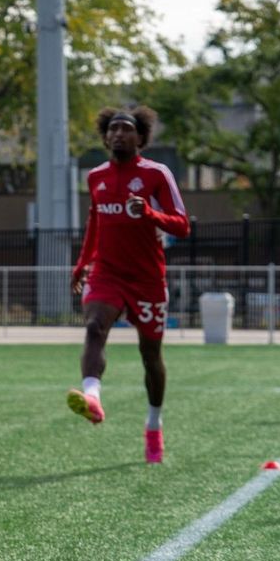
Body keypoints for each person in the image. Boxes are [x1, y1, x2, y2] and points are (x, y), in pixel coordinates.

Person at [68, 106, 189, 464]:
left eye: (127, 129)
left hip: (147, 279)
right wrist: (82, 262)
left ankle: (154, 424)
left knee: (150, 357)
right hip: (106, 272)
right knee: (93, 327)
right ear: (105, 137)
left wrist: (149, 213)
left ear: (141, 137)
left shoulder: (156, 174)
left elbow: (182, 225)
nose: (119, 134)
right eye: (113, 129)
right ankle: (93, 398)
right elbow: (95, 222)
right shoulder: (96, 177)